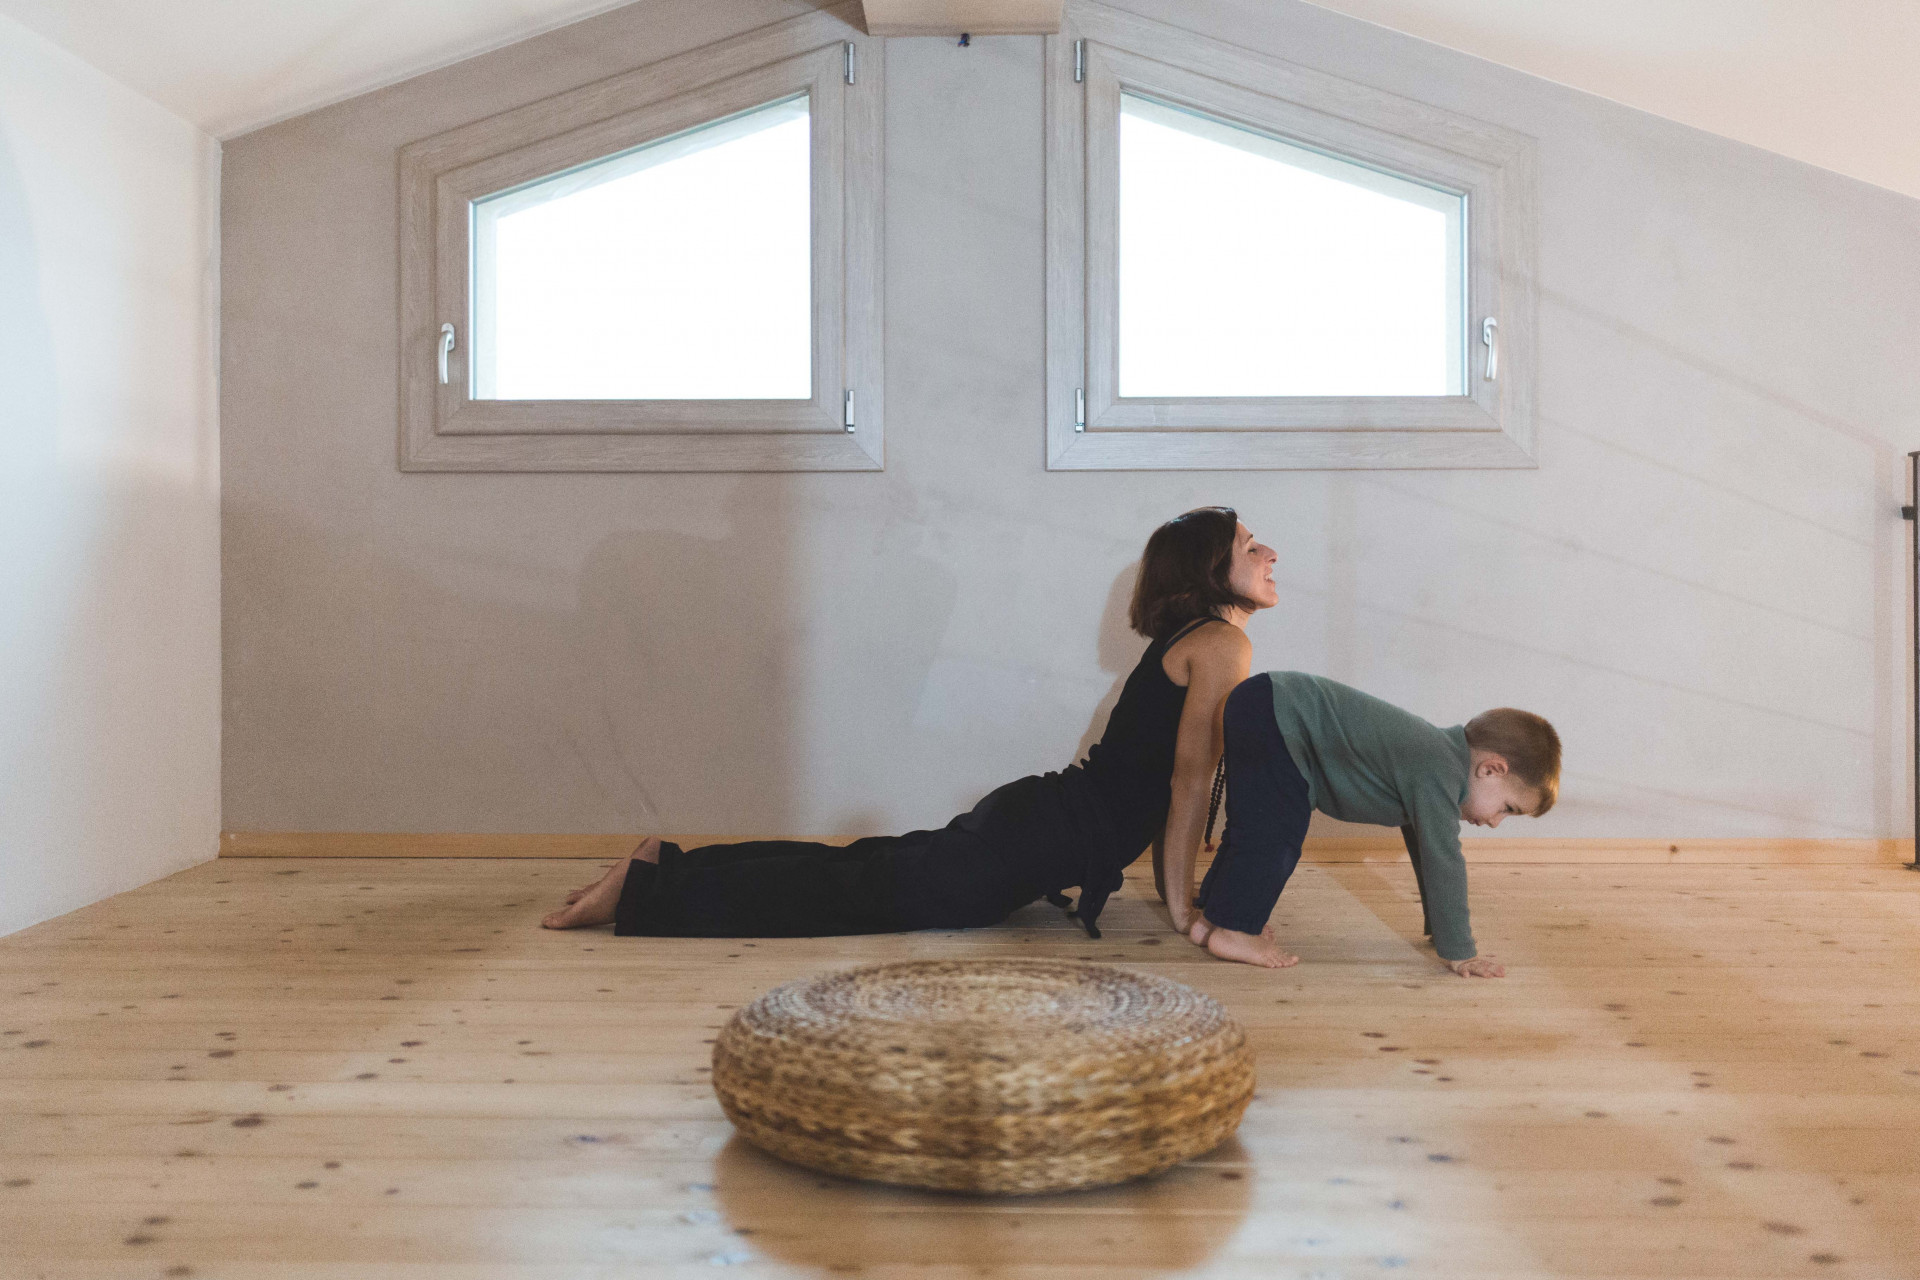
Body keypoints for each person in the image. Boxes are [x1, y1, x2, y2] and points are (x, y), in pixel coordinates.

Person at [541, 507, 1279, 938]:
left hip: (1042, 818)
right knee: (855, 893)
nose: (1269, 553)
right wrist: (1185, 913)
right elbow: (1187, 786)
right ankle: (646, 891)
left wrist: (1179, 901)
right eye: (1250, 547)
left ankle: (661, 865)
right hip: (1045, 832)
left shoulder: (1196, 643)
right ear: (1208, 571)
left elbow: (1177, 788)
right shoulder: (1221, 644)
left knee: (857, 870)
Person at [1185, 671, 1561, 975]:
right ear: (1491, 768)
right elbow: (1443, 859)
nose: (1496, 822)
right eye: (1507, 808)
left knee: (1254, 824)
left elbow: (1424, 848)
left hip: (1267, 702)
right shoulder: (1440, 767)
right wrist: (1460, 951)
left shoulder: (1435, 760)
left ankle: (1214, 918)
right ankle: (1234, 930)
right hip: (1280, 711)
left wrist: (1438, 929)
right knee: (1276, 831)